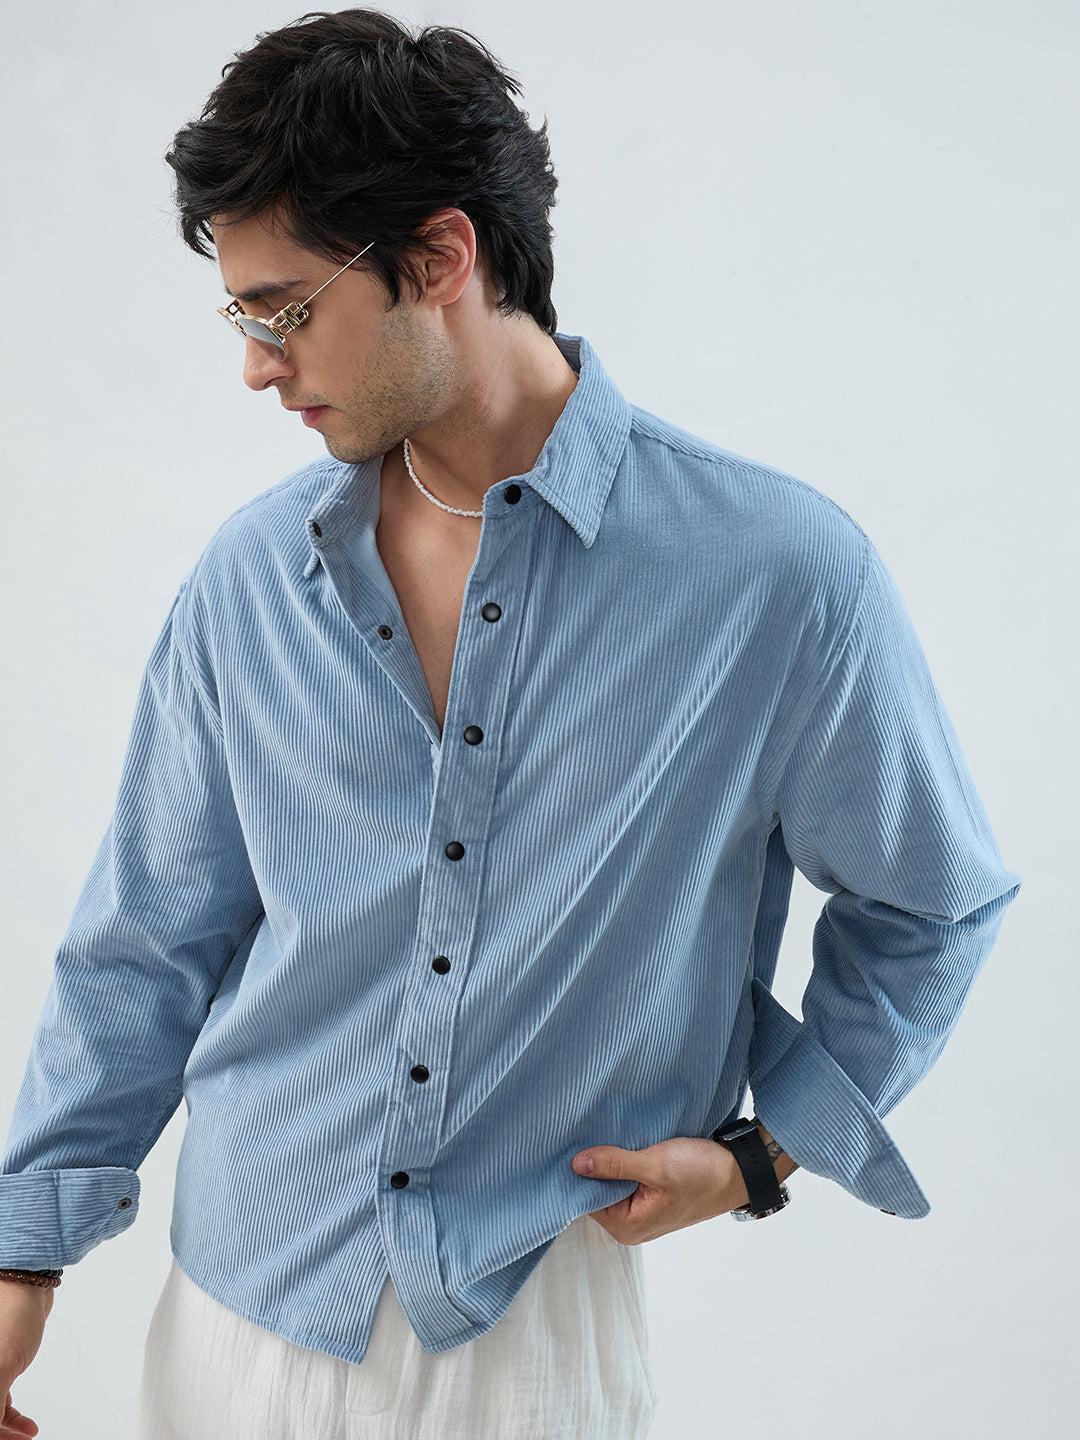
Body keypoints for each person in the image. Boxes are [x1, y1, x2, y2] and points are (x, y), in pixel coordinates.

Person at [0, 9, 1021, 1439]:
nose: (257, 365)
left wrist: (763, 1154)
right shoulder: (252, 579)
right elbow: (147, 942)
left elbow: (931, 901)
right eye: (242, 318)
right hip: (242, 1314)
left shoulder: (778, 576)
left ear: (440, 256)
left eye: (284, 310)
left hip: (538, 1324)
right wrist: (22, 1254)